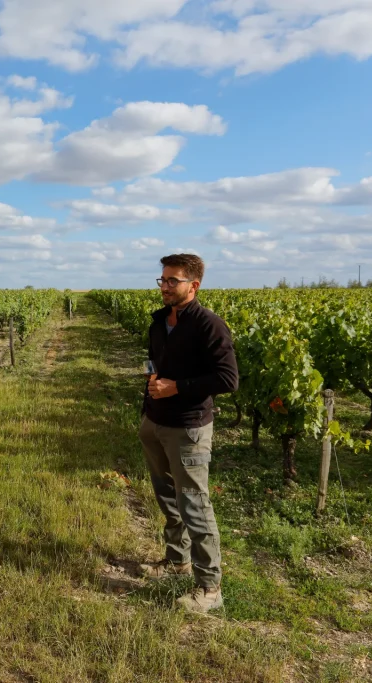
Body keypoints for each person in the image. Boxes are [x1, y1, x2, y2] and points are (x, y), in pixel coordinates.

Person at [138, 253, 238, 613]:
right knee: (167, 497)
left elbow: (228, 379)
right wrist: (150, 378)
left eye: (172, 281)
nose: (164, 286)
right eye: (162, 279)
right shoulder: (160, 321)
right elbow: (151, 359)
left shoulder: (209, 326)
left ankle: (210, 588)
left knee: (194, 502)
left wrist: (177, 387)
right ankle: (176, 561)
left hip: (188, 427)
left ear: (193, 286)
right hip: (155, 421)